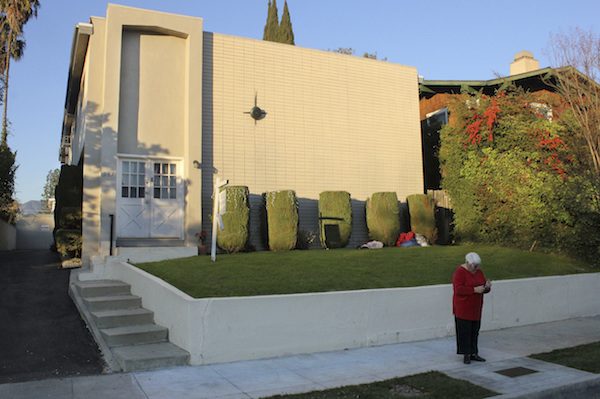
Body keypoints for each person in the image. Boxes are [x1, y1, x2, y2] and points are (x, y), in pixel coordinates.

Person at [452, 252, 491, 364]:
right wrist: (473, 290)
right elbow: (458, 289)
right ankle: (466, 354)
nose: (476, 268)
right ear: (468, 263)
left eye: (478, 266)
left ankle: (474, 352)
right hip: (463, 307)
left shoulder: (479, 272)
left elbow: (483, 287)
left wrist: (486, 287)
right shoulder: (460, 272)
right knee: (465, 331)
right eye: (474, 266)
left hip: (476, 307)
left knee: (475, 330)